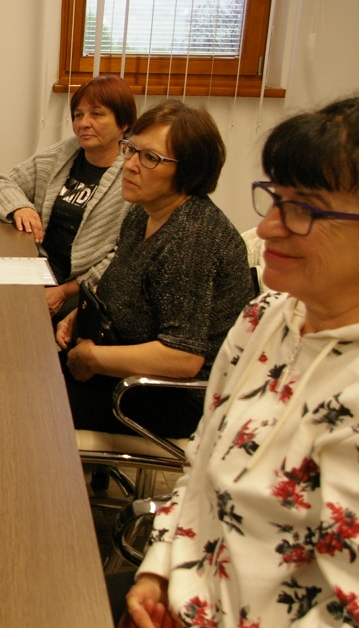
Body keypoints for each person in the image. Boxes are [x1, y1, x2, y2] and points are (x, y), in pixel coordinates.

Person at [117, 94, 359, 628]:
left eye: (305, 210)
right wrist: (157, 573)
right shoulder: (266, 317)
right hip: (186, 596)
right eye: (275, 199)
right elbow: (200, 465)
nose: (267, 228)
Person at [56, 100, 253, 440]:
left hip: (172, 396)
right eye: (131, 149)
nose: (130, 165)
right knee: (26, 368)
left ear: (189, 171)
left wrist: (94, 358)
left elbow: (183, 358)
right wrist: (82, 313)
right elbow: (121, 280)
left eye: (150, 158)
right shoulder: (143, 212)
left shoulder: (192, 238)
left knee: (31, 400)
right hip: (129, 367)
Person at [0, 75, 136, 319]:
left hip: (83, 288)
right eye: (78, 115)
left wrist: (65, 292)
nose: (83, 123)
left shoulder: (133, 174)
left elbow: (123, 256)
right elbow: (3, 183)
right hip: (38, 267)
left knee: (11, 319)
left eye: (96, 114)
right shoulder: (64, 153)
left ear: (124, 122)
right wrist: (21, 207)